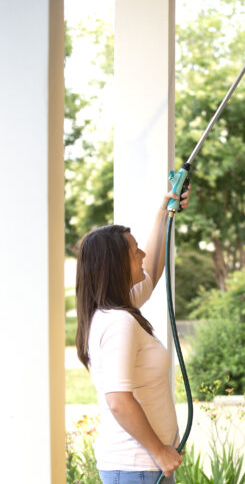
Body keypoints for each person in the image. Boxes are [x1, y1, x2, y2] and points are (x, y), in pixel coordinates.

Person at [75, 188, 191, 484]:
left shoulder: (117, 308)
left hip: (144, 468)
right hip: (137, 468)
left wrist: (164, 213)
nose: (141, 254)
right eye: (134, 250)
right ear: (116, 265)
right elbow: (118, 400)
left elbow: (153, 266)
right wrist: (159, 451)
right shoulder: (118, 322)